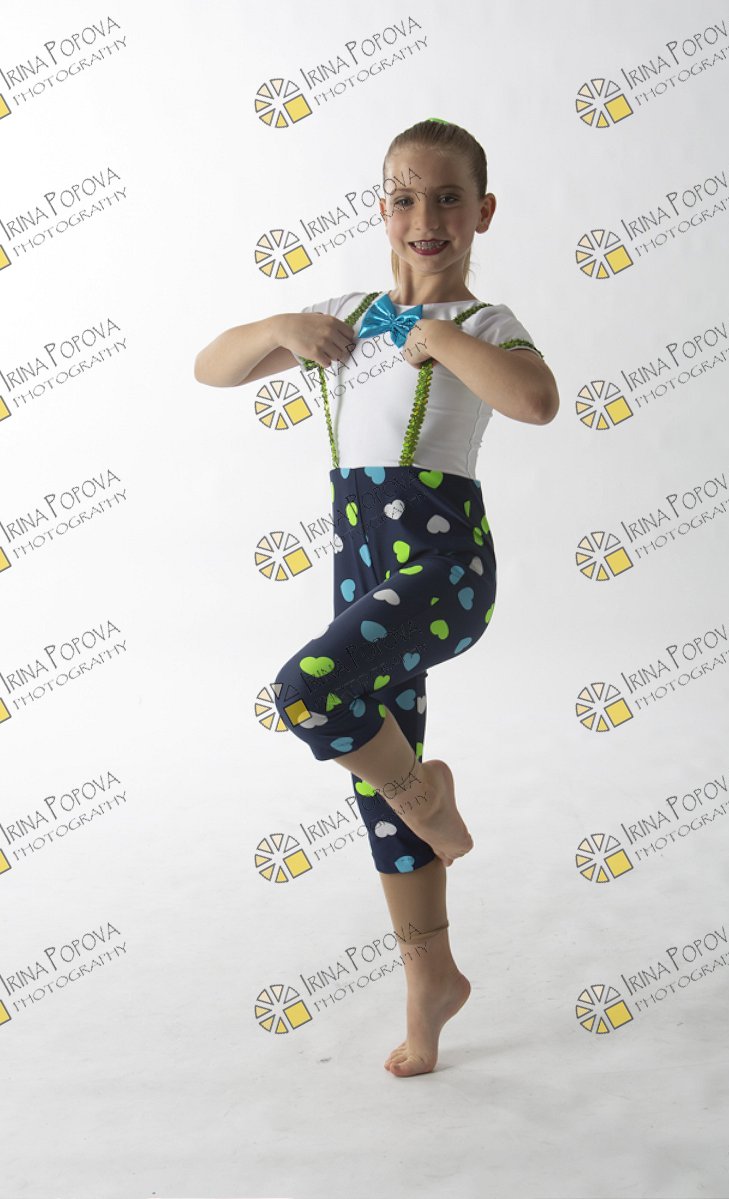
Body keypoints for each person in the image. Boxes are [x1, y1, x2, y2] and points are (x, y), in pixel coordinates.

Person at [194, 118, 559, 1077]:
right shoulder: (347, 318)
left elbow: (536, 400)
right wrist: (280, 327)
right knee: (375, 792)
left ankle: (423, 792)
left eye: (448, 197)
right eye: (405, 196)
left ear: (483, 212)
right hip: (361, 575)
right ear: (382, 209)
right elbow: (210, 367)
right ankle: (431, 981)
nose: (425, 215)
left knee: (306, 691)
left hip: (446, 572)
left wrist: (444, 339)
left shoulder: (483, 324)